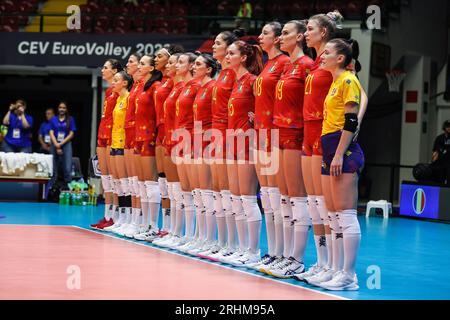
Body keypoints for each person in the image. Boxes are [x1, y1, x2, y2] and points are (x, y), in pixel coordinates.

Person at [312, 38, 365, 291]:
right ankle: (334, 269)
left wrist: (339, 154)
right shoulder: (334, 82)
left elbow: (351, 122)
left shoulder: (348, 80)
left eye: (327, 53)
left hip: (341, 149)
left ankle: (349, 275)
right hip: (330, 147)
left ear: (341, 58)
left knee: (345, 214)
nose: (322, 56)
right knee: (331, 214)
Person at [295, 11, 341, 281]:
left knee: (326, 205)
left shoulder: (336, 63)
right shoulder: (314, 64)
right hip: (307, 131)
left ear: (324, 32)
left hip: (325, 133)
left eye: (310, 28)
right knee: (313, 202)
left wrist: (351, 127)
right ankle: (323, 263)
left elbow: (355, 93)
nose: (306, 33)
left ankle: (336, 266)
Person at [267, 20, 314, 278]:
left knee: (297, 197)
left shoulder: (307, 65)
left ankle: (297, 259)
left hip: (297, 135)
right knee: (283, 197)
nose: (280, 38)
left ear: (299, 38)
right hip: (280, 133)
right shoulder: (288, 66)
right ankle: (285, 255)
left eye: (285, 34)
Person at [221, 40, 264, 267]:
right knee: (236, 200)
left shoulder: (252, 81)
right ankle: (241, 248)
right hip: (232, 143)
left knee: (247, 199)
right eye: (226, 53)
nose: (227, 57)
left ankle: (254, 251)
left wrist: (256, 120)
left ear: (243, 57)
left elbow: (265, 110)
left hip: (247, 143)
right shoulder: (237, 82)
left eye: (231, 53)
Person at [251, 21, 290, 272]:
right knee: (267, 197)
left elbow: (286, 99)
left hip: (275, 135)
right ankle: (274, 252)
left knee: (278, 197)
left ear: (277, 39)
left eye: (265, 32)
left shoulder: (285, 63)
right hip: (261, 132)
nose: (260, 35)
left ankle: (286, 255)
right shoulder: (267, 65)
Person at [205, 30, 239, 262]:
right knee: (218, 192)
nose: (213, 46)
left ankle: (235, 245)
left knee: (230, 193)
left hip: (229, 135)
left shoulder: (234, 74)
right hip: (216, 134)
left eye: (218, 43)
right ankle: (221, 242)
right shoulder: (222, 75)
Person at [122, 54, 163, 239]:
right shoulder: (142, 87)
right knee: (142, 183)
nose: (138, 66)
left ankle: (153, 226)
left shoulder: (155, 87)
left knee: (151, 182)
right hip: (138, 135)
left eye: (142, 64)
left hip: (149, 136)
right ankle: (144, 223)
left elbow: (158, 114)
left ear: (151, 68)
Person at [181, 54, 218, 256]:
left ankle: (209, 240)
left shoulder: (212, 87)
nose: (194, 68)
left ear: (209, 69)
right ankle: (200, 237)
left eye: (198, 64)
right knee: (198, 194)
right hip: (195, 140)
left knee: (207, 192)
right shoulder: (201, 88)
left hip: (207, 141)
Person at [153, 53, 186, 248]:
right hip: (164, 135)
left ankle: (178, 231)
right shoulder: (169, 85)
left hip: (178, 137)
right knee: (167, 186)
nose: (170, 65)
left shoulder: (178, 86)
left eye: (176, 61)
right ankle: (169, 228)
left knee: (179, 188)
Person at [169, 52, 201, 250]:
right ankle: (187, 236)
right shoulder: (183, 87)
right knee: (184, 191)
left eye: (181, 61)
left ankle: (196, 236)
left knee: (195, 191)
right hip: (180, 139)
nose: (177, 65)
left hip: (192, 139)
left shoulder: (196, 86)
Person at [90, 59, 121, 231]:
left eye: (106, 68)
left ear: (115, 70)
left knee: (114, 180)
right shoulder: (109, 90)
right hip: (103, 134)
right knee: (106, 180)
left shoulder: (117, 91)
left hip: (112, 137)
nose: (102, 70)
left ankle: (115, 216)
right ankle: (108, 215)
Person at [115, 53, 143, 237]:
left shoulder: (133, 93)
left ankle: (140, 223)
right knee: (125, 183)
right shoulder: (124, 95)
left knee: (138, 183)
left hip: (135, 139)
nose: (128, 64)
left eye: (132, 62)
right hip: (121, 140)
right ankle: (127, 220)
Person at [103, 71, 133, 233]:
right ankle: (121, 219)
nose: (113, 83)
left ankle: (129, 219)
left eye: (116, 80)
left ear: (125, 83)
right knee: (117, 183)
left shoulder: (128, 98)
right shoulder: (119, 99)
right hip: (114, 142)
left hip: (123, 143)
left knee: (125, 183)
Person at [49, 102, 77, 189]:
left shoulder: (70, 119)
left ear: (66, 109)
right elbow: (51, 132)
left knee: (67, 168)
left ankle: (68, 189)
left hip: (66, 143)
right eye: (60, 107)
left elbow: (71, 134)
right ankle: (52, 189)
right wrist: (56, 144)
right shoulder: (53, 119)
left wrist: (61, 144)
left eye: (64, 108)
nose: (62, 109)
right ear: (58, 109)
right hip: (54, 143)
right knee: (53, 168)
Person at [431, 120, 450, 185]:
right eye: (448, 126)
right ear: (444, 127)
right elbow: (435, 151)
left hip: (449, 164)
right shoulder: (439, 138)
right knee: (440, 181)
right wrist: (433, 161)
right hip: (440, 163)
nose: (449, 128)